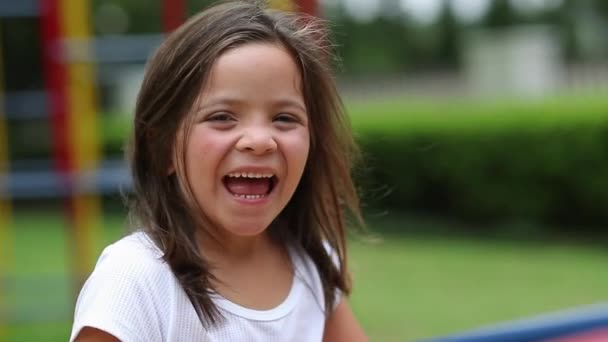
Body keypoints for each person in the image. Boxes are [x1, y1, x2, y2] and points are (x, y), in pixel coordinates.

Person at [70, 1, 367, 341]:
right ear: (163, 147)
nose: (259, 141)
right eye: (222, 117)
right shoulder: (135, 281)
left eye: (284, 118)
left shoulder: (312, 265)